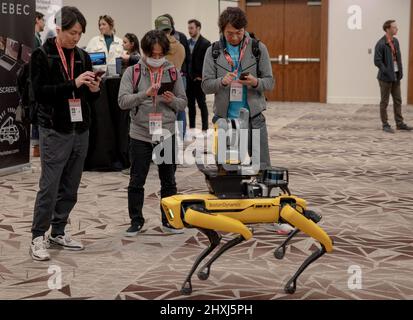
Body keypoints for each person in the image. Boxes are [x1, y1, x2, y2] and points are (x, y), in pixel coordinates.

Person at [202, 7, 293, 235]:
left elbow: (270, 82)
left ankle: (273, 214)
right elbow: (205, 85)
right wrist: (221, 82)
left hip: (253, 118)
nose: (235, 37)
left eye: (239, 32)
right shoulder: (212, 52)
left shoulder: (257, 48)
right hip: (225, 120)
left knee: (262, 166)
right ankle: (227, 216)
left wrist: (254, 82)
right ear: (222, 30)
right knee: (226, 170)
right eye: (230, 33)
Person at [29, 6, 101, 261]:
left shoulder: (83, 55)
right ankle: (38, 235)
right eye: (72, 32)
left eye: (80, 33)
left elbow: (91, 97)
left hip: (80, 128)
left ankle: (58, 231)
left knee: (71, 185)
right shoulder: (42, 55)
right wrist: (72, 84)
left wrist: (93, 89)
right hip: (54, 128)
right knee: (49, 185)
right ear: (59, 29)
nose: (76, 38)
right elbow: (39, 93)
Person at [118, 30, 187, 236]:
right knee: (137, 180)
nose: (157, 59)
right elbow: (122, 101)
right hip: (140, 133)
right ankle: (136, 220)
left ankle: (169, 220)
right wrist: (143, 95)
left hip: (165, 132)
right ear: (145, 52)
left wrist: (171, 100)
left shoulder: (172, 72)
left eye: (160, 55)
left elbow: (182, 102)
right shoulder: (133, 72)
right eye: (152, 55)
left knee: (168, 180)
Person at [374, 20, 412, 133]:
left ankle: (399, 123)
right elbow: (377, 61)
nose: (397, 29)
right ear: (388, 29)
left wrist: (400, 71)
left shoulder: (395, 41)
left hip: (395, 76)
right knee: (384, 102)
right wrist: (386, 71)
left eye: (396, 27)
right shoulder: (381, 43)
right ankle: (385, 124)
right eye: (394, 27)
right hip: (385, 77)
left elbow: (398, 58)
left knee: (398, 100)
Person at [161, 13, 190, 141]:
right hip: (180, 76)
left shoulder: (159, 45)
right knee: (181, 107)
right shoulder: (181, 42)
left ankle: (169, 137)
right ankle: (180, 136)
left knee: (166, 108)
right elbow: (187, 58)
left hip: (164, 79)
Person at [186, 19, 211, 136]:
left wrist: (202, 76)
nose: (189, 30)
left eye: (192, 28)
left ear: (198, 28)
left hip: (200, 80)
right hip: (189, 79)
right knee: (190, 105)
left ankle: (205, 129)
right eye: (189, 28)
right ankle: (191, 128)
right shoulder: (186, 42)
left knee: (202, 104)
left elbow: (208, 63)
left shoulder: (206, 43)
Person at [31, 11, 46, 158]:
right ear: (37, 20)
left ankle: (37, 145)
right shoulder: (33, 38)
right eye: (43, 20)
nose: (45, 23)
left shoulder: (38, 37)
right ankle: (36, 146)